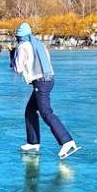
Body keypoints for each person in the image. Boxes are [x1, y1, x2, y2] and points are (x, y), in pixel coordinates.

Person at [13, 22, 79, 160]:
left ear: (19, 36)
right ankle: (33, 142)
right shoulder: (38, 43)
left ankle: (66, 141)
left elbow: (18, 68)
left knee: (46, 112)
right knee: (30, 110)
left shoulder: (23, 46)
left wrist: (12, 55)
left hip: (40, 82)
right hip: (49, 80)